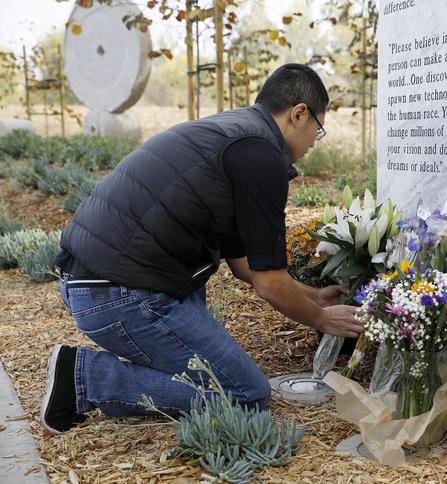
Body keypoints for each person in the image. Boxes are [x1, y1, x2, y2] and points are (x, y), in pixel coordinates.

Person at [40, 63, 364, 434]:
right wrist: (322, 319)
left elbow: (243, 264)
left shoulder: (237, 134)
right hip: (120, 293)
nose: (311, 145)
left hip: (101, 280)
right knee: (244, 393)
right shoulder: (261, 156)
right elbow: (269, 282)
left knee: (212, 371)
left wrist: (315, 296)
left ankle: (117, 370)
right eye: (317, 132)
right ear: (299, 114)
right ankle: (82, 377)